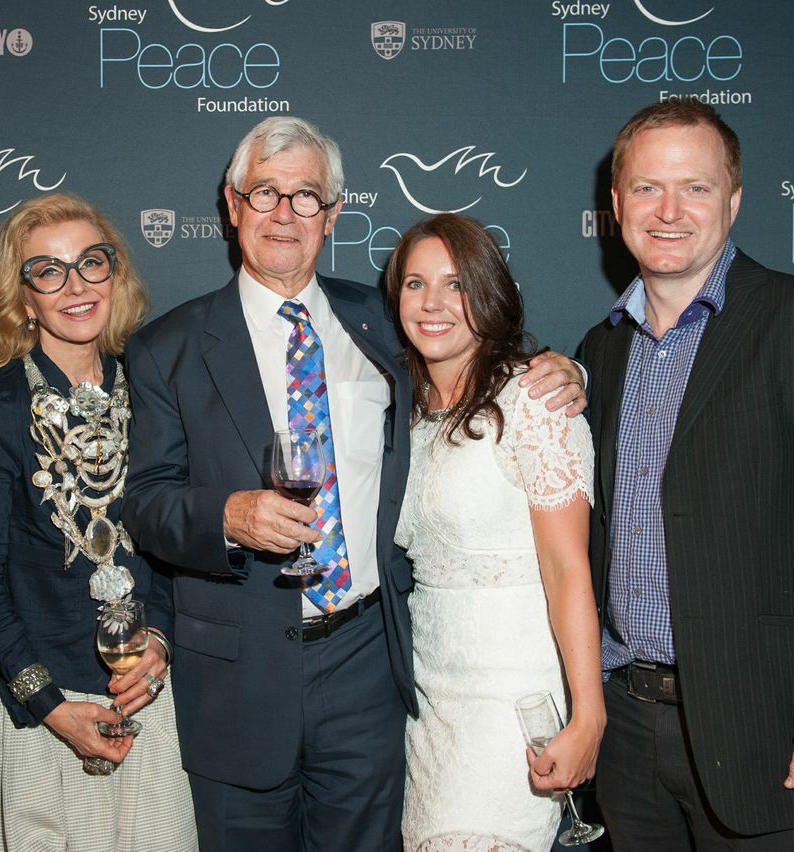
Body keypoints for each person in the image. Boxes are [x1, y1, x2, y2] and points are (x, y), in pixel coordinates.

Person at [121, 115, 585, 852]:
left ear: (333, 213)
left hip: (368, 663)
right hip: (238, 678)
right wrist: (228, 516)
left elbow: (472, 360)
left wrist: (564, 369)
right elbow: (145, 503)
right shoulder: (165, 349)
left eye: (306, 196)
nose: (284, 213)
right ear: (232, 205)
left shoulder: (383, 322)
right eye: (265, 192)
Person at [579, 100, 794, 849]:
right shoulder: (600, 351)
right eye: (647, 187)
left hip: (775, 739)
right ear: (616, 204)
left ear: (735, 199)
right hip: (627, 738)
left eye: (697, 187)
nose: (669, 211)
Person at [0, 193, 197, 851]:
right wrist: (49, 706)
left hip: (143, 703)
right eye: (48, 271)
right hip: (33, 715)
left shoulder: (155, 393)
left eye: (91, 263)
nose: (76, 286)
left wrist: (160, 642)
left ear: (115, 274)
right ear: (23, 298)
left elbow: (173, 547)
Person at [388, 214, 604, 851]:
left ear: (488, 293)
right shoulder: (406, 415)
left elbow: (568, 570)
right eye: (415, 283)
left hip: (512, 705)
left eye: (456, 285)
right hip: (429, 703)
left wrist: (588, 714)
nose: (432, 303)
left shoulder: (536, 402)